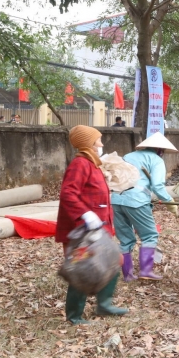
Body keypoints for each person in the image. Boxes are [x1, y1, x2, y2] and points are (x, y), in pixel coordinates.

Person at [56, 126, 127, 324]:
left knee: (114, 260)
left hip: (99, 228)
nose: (101, 144)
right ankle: (74, 315)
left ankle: (104, 304)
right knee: (83, 267)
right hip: (83, 230)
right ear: (88, 143)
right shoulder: (80, 164)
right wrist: (85, 213)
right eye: (98, 141)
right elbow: (68, 193)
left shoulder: (93, 163)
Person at [111, 132, 179, 281]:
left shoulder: (128, 156)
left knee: (125, 239)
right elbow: (158, 186)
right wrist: (170, 203)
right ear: (160, 150)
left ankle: (128, 275)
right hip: (136, 200)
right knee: (149, 235)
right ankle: (146, 270)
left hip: (116, 198)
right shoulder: (156, 160)